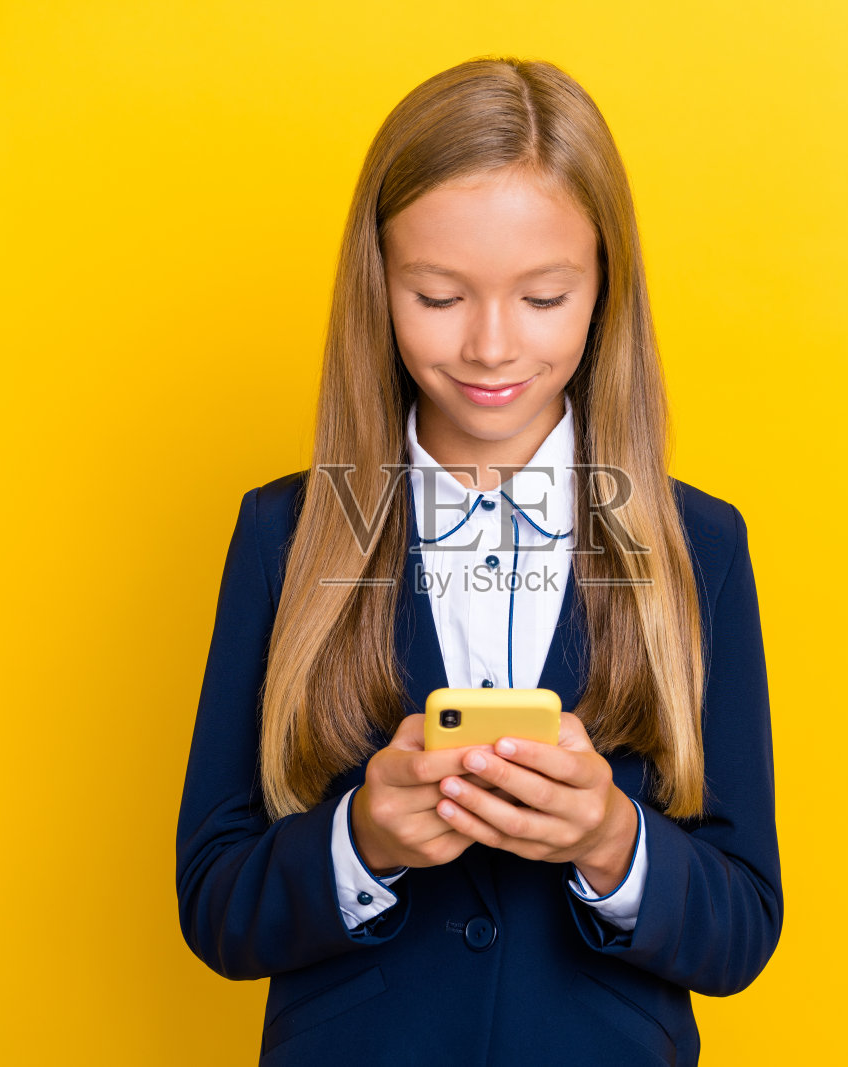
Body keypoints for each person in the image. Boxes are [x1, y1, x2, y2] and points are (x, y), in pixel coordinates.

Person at [176, 55, 782, 1067]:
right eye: (439, 295)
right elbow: (216, 901)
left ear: (604, 291)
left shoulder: (694, 544)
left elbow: (743, 922)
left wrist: (609, 841)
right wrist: (360, 839)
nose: (492, 346)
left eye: (543, 296)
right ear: (378, 285)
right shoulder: (289, 533)